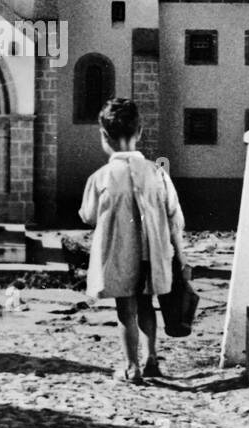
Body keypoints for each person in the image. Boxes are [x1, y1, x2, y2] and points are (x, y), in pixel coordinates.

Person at [80, 98, 187, 385]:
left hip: (120, 253)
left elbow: (88, 216)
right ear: (140, 131)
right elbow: (175, 217)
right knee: (146, 305)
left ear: (104, 136)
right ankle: (152, 358)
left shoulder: (100, 177)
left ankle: (131, 366)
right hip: (151, 254)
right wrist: (182, 257)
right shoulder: (158, 173)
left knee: (125, 310)